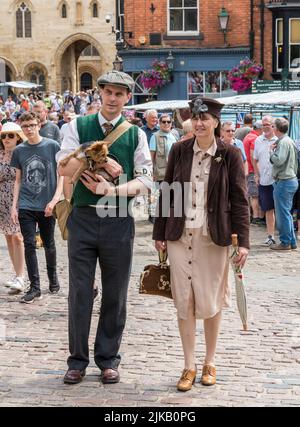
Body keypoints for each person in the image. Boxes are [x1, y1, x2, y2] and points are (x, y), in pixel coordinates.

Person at [57, 70, 152, 385]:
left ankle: (108, 359)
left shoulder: (135, 134)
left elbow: (145, 181)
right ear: (99, 94)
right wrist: (98, 160)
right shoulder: (76, 126)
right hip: (82, 216)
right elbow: (65, 165)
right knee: (80, 292)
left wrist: (111, 190)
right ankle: (77, 360)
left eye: (119, 94)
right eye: (107, 92)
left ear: (127, 98)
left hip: (117, 219)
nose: (112, 99)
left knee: (115, 293)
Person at [153, 97, 250, 391]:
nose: (199, 123)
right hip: (181, 237)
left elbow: (240, 199)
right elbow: (167, 192)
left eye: (205, 118)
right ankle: (189, 365)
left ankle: (210, 361)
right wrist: (160, 233)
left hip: (213, 238)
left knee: (211, 300)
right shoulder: (179, 150)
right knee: (184, 301)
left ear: (216, 122)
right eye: (195, 118)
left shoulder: (230, 154)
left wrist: (243, 242)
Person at [10, 112, 64, 303]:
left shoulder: (52, 146)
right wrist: (14, 206)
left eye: (32, 125)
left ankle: (53, 278)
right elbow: (18, 180)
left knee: (49, 244)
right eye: (25, 126)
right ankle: (35, 287)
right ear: (21, 128)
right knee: (29, 244)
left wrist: (55, 200)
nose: (29, 129)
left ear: (39, 125)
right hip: (26, 204)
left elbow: (61, 176)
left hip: (47, 204)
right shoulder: (19, 151)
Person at [0, 122, 26, 293]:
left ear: (18, 137)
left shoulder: (22, 153)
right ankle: (16, 275)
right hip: (1, 198)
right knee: (9, 237)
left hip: (17, 198)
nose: (7, 139)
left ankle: (21, 276)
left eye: (11, 135)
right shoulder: (0, 154)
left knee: (18, 236)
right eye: (4, 136)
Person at [269, 118, 298, 250]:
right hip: (290, 180)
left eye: (273, 126)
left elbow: (279, 160)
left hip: (284, 181)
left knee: (282, 214)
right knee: (286, 213)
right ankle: (291, 241)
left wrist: (271, 152)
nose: (272, 128)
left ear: (277, 128)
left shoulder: (284, 142)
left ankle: (285, 242)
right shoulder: (289, 140)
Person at [253, 115, 278, 246]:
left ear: (273, 126)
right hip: (264, 180)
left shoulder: (279, 140)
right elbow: (255, 159)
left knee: (282, 209)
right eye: (263, 125)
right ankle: (271, 236)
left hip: (278, 180)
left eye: (267, 124)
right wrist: (257, 174)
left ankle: (287, 236)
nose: (265, 127)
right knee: (268, 209)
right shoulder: (258, 140)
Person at [149, 114, 178, 223]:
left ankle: (165, 216)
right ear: (159, 123)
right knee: (156, 195)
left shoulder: (174, 136)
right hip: (159, 172)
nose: (166, 124)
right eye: (163, 122)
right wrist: (151, 172)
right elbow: (151, 156)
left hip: (172, 171)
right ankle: (153, 216)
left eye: (168, 122)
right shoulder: (155, 136)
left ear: (171, 124)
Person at [243, 120, 264, 224]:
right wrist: (257, 172)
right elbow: (252, 156)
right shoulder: (255, 139)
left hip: (249, 169)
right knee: (255, 194)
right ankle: (256, 217)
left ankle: (255, 216)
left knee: (252, 194)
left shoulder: (248, 136)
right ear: (260, 129)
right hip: (252, 170)